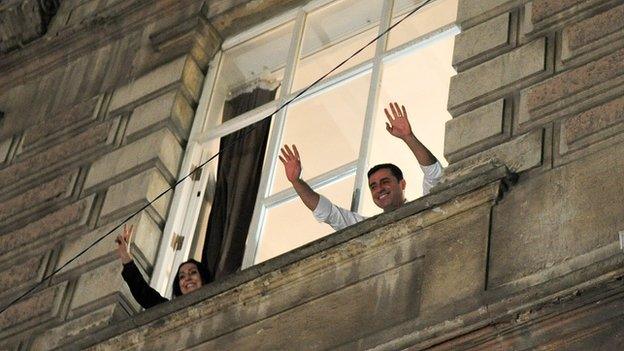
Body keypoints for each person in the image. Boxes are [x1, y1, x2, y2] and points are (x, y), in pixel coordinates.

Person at [279, 102, 443, 231]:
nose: (379, 189)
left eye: (385, 181)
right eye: (373, 186)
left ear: (402, 184)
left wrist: (409, 137)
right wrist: (296, 182)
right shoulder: (367, 228)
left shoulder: (425, 208)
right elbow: (328, 213)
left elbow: (434, 174)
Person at [115, 224, 213, 309]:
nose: (187, 278)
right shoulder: (170, 309)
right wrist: (125, 256)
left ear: (203, 278)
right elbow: (144, 293)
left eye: (193, 272)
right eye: (182, 276)